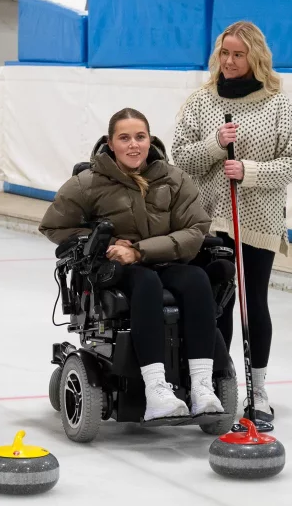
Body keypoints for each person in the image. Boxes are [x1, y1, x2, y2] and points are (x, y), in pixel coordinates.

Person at [39, 108, 223, 421]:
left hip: (161, 259)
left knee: (196, 280)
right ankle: (156, 390)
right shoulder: (88, 183)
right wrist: (104, 241)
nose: (133, 144)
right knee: (146, 284)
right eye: (124, 138)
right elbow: (53, 226)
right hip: (114, 270)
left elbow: (195, 230)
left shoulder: (174, 179)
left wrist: (139, 251)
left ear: (150, 140)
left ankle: (202, 385)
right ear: (111, 143)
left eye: (140, 137)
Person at [171, 20, 292, 423]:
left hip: (257, 220)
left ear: (255, 57)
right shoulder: (201, 101)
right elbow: (180, 155)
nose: (229, 61)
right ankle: (216, 384)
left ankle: (258, 393)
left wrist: (249, 171)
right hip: (209, 221)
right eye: (224, 53)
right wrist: (214, 145)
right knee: (214, 307)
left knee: (251, 304)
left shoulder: (277, 104)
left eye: (238, 54)